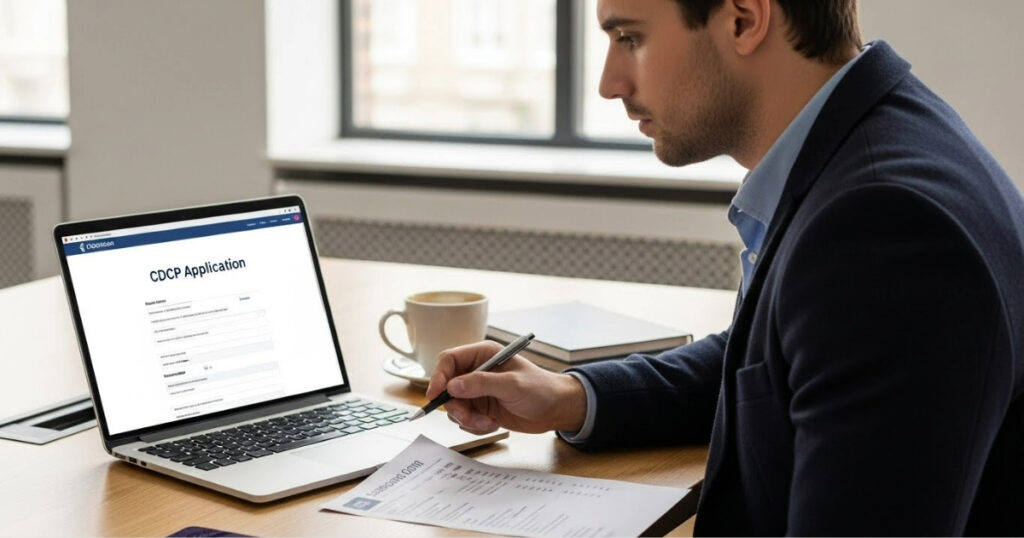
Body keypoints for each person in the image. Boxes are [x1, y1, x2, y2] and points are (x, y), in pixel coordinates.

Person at [426, 0, 1024, 534]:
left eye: (631, 37)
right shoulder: (877, 143)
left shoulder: (882, 229)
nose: (610, 83)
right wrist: (571, 396)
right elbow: (773, 362)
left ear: (743, 19)